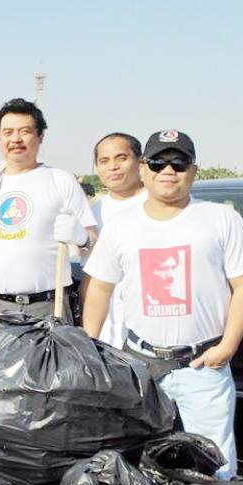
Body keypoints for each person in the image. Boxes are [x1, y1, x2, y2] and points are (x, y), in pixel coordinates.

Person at [83, 130, 243, 479]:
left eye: (178, 163)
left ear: (193, 171)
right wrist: (88, 345)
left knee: (215, 470)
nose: (168, 171)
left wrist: (227, 347)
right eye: (159, 162)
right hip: (141, 367)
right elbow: (100, 289)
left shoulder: (220, 219)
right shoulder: (121, 227)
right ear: (144, 169)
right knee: (140, 468)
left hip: (203, 366)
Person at [0, 98, 97, 345]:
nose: (16, 139)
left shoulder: (60, 180)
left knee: (50, 382)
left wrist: (81, 237)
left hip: (49, 308)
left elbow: (94, 245)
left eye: (25, 131)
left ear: (40, 136)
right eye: (7, 132)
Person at [88, 132, 148, 347]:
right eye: (104, 161)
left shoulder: (159, 204)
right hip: (107, 333)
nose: (112, 166)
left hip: (151, 337)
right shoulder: (92, 214)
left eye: (121, 158)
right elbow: (90, 279)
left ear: (140, 162)